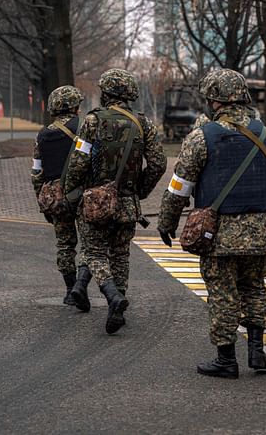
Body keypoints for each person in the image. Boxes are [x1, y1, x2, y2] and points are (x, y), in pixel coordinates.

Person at [157, 68, 266, 379]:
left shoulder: (201, 137)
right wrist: (263, 213)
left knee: (222, 292)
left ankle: (226, 359)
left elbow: (181, 185)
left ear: (214, 100)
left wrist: (167, 220)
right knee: (255, 286)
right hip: (257, 231)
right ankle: (256, 349)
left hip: (217, 233)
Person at [63, 68, 167, 334]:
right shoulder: (144, 124)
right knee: (121, 255)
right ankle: (117, 304)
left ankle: (112, 296)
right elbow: (158, 163)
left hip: (96, 201)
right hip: (128, 203)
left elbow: (78, 160)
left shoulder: (93, 121)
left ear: (106, 92)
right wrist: (139, 190)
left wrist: (73, 190)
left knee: (96, 252)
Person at [31, 85, 87, 305]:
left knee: (65, 244)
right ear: (74, 106)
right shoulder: (83, 128)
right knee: (89, 245)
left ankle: (69, 288)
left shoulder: (43, 135)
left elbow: (37, 172)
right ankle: (81, 287)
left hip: (55, 197)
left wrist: (43, 201)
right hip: (82, 195)